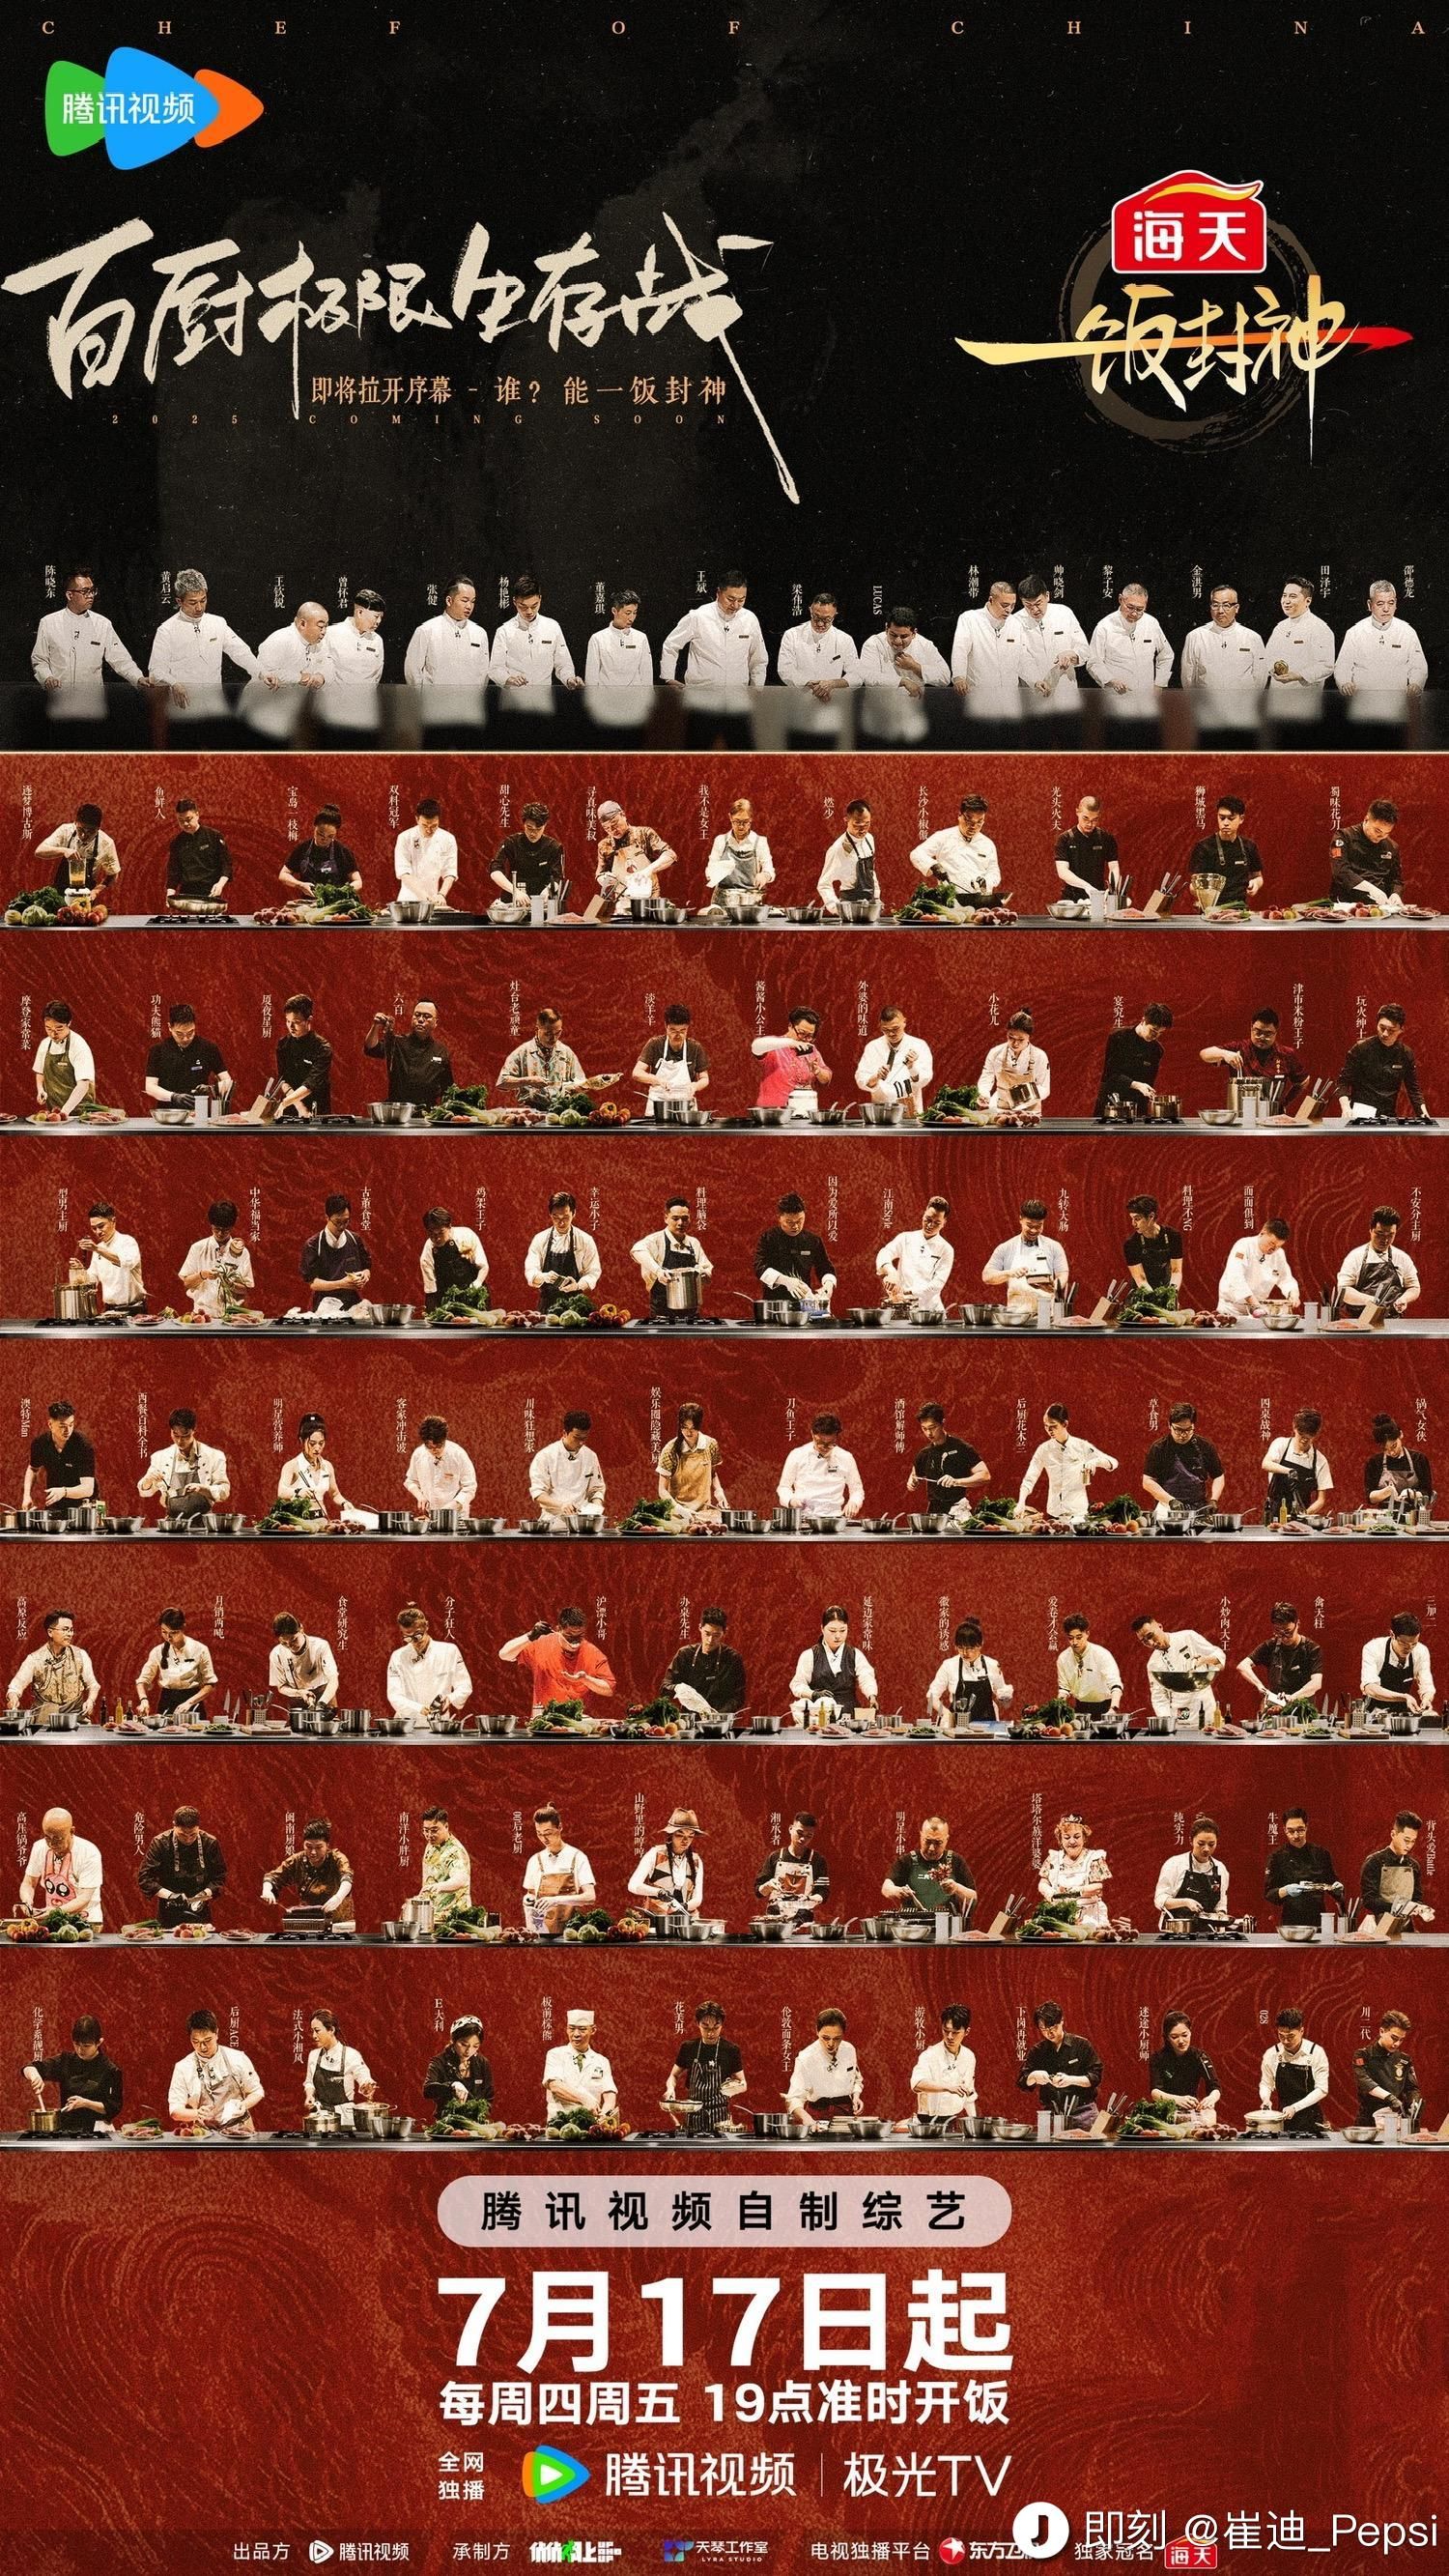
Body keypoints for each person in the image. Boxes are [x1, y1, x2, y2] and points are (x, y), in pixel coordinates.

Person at [148, 570, 261, 700]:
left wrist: (261, 672)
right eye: (193, 603)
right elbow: (156, 671)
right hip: (184, 702)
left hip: (214, 702)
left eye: (203, 600)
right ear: (179, 601)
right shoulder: (166, 630)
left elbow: (240, 651)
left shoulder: (218, 622)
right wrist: (174, 684)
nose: (199, 608)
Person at [32, 569, 145, 692]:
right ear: (69, 595)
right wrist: (47, 678)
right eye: (85, 591)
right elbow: (40, 660)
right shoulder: (48, 622)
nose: (90, 595)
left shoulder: (102, 624)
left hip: (91, 697)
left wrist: (138, 678)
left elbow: (120, 659)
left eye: (92, 591)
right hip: (59, 695)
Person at [499, 1606, 615, 1718]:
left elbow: (609, 1689)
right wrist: (530, 1636)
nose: (575, 1642)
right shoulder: (541, 1644)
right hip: (543, 1721)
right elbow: (504, 1655)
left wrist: (585, 1679)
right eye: (569, 1636)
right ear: (558, 1629)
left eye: (579, 1636)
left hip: (578, 1723)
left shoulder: (593, 1653)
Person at [661, 571, 767, 688]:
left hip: (738, 693)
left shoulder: (750, 619)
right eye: (730, 599)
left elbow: (758, 659)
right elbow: (671, 645)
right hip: (700, 693)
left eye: (741, 600)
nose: (736, 605)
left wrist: (757, 689)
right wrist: (668, 678)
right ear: (718, 593)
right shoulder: (698, 616)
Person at [22, 2015, 123, 2135]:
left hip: (98, 2130)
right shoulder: (66, 2061)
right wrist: (34, 2075)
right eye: (76, 2044)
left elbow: (113, 2107)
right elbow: (29, 2067)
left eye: (86, 2046)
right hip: (66, 2129)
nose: (80, 2050)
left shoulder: (110, 2070)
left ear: (99, 2042)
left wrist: (85, 2103)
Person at [1017, 1405, 1118, 1524]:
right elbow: (1030, 1478)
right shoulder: (1044, 1449)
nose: (1049, 1430)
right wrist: (1021, 1502)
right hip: (1054, 1514)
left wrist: (1095, 1461)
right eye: (1046, 1426)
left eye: (1053, 1426)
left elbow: (1113, 1462)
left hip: (1078, 1515)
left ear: (1065, 1424)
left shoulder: (1081, 1446)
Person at [168, 2012, 265, 2132]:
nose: (202, 2047)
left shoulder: (237, 2058)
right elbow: (175, 2110)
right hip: (204, 2134)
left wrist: (243, 2105)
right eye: (196, 2041)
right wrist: (196, 2113)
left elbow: (257, 2091)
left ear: (217, 2033)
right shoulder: (183, 2067)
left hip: (241, 2130)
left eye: (207, 2040)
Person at [1199, 1004, 1307, 1106]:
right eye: (1258, 1032)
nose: (1262, 1037)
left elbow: (1303, 1081)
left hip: (1273, 1114)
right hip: (1241, 1113)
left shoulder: (1286, 1054)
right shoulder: (1239, 1048)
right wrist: (1224, 1054)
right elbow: (1204, 1054)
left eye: (1268, 1034)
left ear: (1276, 1032)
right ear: (1251, 1028)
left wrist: (1285, 1102)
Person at [138, 1805, 227, 1928]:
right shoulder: (160, 1843)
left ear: (198, 1827)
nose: (188, 1839)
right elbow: (145, 1878)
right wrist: (171, 1896)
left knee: (201, 1937)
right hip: (168, 1908)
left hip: (199, 1906)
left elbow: (220, 1876)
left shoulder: (210, 1843)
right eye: (183, 1835)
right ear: (174, 1826)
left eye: (193, 1835)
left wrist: (204, 1894)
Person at [1337, 1005, 1429, 1124]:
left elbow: (1413, 1089)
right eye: (1382, 1028)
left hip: (1388, 1116)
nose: (1385, 1034)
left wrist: (1423, 1113)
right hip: (1360, 1114)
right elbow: (1343, 1082)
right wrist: (1346, 1108)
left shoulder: (1405, 1054)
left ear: (1401, 1029)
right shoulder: (1361, 1049)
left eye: (1391, 1030)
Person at [1016, 2002, 1102, 2129]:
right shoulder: (1038, 2051)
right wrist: (1034, 2076)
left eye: (1053, 2028)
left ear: (1062, 2021)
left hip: (1084, 2113)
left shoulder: (1081, 2045)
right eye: (1044, 2030)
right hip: (1052, 2114)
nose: (1049, 2033)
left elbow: (1096, 2077)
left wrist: (1071, 2080)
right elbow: (1022, 2082)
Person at [1333, 581, 1428, 695]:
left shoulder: (1407, 632)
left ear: (1396, 603)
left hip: (1397, 699)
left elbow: (1419, 666)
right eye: (1380, 604)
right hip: (1363, 699)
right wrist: (1345, 683)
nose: (1386, 609)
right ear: (1369, 605)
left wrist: (1416, 684)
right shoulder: (1355, 632)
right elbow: (1342, 666)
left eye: (1391, 603)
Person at [1131, 1615, 1226, 1727]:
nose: (1151, 1643)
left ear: (1160, 1627)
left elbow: (1219, 1655)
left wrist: (1205, 1660)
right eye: (1144, 1641)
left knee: (1209, 1732)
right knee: (1184, 1734)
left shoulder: (1188, 1637)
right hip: (1180, 1711)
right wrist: (1167, 1722)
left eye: (1151, 1635)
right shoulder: (1153, 1664)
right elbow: (1159, 1698)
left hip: (1205, 1705)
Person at [1008, 573, 1089, 701]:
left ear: (1047, 596)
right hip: (1033, 693)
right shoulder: (1015, 622)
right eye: (1028, 605)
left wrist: (1071, 654)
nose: (1034, 610)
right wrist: (1035, 680)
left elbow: (1084, 648)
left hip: (1065, 690)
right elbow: (1020, 658)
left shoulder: (1064, 613)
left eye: (1038, 603)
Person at [386, 1607, 472, 1728]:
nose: (414, 1641)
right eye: (408, 1637)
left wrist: (450, 1698)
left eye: (418, 1635)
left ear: (426, 1626)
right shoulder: (398, 1656)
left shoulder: (449, 1651)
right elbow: (394, 1695)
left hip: (439, 1725)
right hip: (407, 1725)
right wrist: (419, 1708)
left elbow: (465, 1686)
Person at [790, 1604, 877, 1721]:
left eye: (842, 1630)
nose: (838, 1636)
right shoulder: (810, 1655)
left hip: (849, 1715)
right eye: (832, 1631)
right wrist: (813, 1694)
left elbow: (866, 1677)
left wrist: (872, 1695)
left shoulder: (855, 1654)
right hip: (820, 1716)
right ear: (822, 1628)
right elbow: (797, 1684)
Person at [489, 575, 580, 687]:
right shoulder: (504, 631)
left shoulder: (552, 627)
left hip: (543, 695)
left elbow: (563, 664)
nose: (529, 612)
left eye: (534, 606)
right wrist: (508, 679)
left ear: (540, 599)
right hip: (514, 695)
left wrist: (569, 679)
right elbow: (495, 669)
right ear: (514, 601)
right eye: (523, 606)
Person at [137, 1410, 229, 1519]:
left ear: (194, 1430)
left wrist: (202, 1489)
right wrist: (148, 1481)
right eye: (175, 1435)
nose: (180, 1441)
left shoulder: (214, 1456)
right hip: (173, 1523)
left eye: (185, 1435)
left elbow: (224, 1491)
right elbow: (145, 1492)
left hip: (204, 1522)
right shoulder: (160, 1457)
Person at [6, 1616, 99, 1723]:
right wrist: (13, 1698)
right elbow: (15, 1687)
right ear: (50, 1632)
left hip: (75, 1717)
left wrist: (90, 1701)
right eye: (65, 1629)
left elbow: (93, 1685)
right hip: (44, 1719)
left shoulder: (80, 1655)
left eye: (71, 1630)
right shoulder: (35, 1659)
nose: (70, 1634)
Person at [981, 1198, 1068, 1313]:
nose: (1034, 1230)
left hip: (1046, 1315)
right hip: (1016, 1316)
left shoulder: (1054, 1247)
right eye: (1029, 1225)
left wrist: (1054, 1287)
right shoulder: (1005, 1248)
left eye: (1039, 1226)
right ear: (1020, 1219)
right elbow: (987, 1276)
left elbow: (1063, 1275)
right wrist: (1009, 1273)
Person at [363, 999, 455, 1107]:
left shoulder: (441, 1051)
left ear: (436, 1023)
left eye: (427, 1016)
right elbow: (371, 1049)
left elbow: (447, 1090)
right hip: (398, 1110)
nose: (420, 1020)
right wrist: (375, 1026)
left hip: (427, 1112)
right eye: (417, 1015)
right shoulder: (397, 1043)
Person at [950, 579, 1024, 713]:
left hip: (1009, 699)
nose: (1009, 610)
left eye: (1012, 606)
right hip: (979, 698)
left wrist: (1035, 681)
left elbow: (1023, 658)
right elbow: (960, 650)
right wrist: (959, 677)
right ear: (991, 600)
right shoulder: (970, 619)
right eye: (1004, 605)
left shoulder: (1016, 624)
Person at [1086, 583, 1174, 694]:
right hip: (1116, 696)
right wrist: (1111, 680)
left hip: (1147, 695)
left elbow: (1166, 655)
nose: (1134, 613)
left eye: (1140, 609)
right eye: (1130, 607)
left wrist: (1159, 684)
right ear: (1120, 599)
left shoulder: (1151, 623)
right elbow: (1094, 662)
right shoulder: (1104, 626)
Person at [18, 1808, 103, 1925]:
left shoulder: (89, 1852)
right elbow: (29, 1883)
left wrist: (55, 1912)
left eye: (58, 1838)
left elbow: (85, 1898)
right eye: (47, 1837)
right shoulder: (39, 1847)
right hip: (53, 1920)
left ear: (72, 1832)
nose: (52, 1844)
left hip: (85, 1920)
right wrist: (26, 1901)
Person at [632, 1198, 715, 1317]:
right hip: (662, 1314)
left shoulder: (693, 1243)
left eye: (685, 1219)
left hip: (691, 1314)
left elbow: (707, 1270)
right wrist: (658, 1271)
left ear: (690, 1219)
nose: (680, 1223)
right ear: (666, 1218)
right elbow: (637, 1250)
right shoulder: (656, 1240)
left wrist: (704, 1274)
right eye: (675, 1218)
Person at [666, 2002, 748, 2122]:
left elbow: (743, 2084)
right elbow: (673, 2075)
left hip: (720, 2118)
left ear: (722, 2025)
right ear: (698, 2024)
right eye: (705, 2027)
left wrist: (734, 2089)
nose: (710, 2033)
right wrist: (670, 2089)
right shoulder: (688, 2047)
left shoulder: (731, 2050)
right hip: (693, 2116)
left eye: (716, 2027)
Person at [909, 793, 1000, 900]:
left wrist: (986, 882)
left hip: (980, 902)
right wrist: (933, 866)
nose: (973, 827)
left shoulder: (987, 844)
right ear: (960, 816)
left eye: (979, 822)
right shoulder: (943, 837)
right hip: (950, 901)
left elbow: (994, 872)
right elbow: (916, 854)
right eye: (969, 820)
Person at [882, 1816, 977, 1918]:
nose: (931, 1848)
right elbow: (886, 1888)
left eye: (938, 1843)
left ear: (946, 1839)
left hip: (945, 1924)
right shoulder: (906, 1861)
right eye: (927, 1841)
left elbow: (974, 1898)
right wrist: (897, 1891)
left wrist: (956, 1888)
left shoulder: (956, 1861)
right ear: (921, 1836)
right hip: (912, 1924)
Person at [262, 1819, 355, 1923]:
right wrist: (267, 1890)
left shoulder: (337, 1859)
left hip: (339, 1920)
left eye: (319, 1847)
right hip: (309, 1919)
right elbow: (272, 1877)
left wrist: (338, 1897)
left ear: (327, 1845)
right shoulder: (297, 1860)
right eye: (309, 1847)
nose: (313, 1852)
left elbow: (347, 1878)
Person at [277, 1414, 362, 1527]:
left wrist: (344, 1502)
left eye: (321, 1443)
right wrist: (298, 1492)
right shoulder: (292, 1466)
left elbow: (335, 1493)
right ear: (301, 1441)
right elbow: (281, 1492)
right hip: (300, 1522)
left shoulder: (327, 1466)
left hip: (322, 1520)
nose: (317, 1448)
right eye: (312, 1444)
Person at [1264, 1810, 1343, 1931]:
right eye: (1291, 1831)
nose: (1296, 1836)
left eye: (1300, 1830)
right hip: (1291, 1921)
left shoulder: (1321, 1854)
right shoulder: (1276, 1857)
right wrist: (1286, 1890)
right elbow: (1269, 1893)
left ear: (1306, 1827)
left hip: (1318, 1920)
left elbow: (1332, 1883)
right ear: (1284, 1830)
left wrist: (1337, 1888)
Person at [1142, 1402, 1225, 1517]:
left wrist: (1214, 1499)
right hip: (1167, 1509)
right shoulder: (1159, 1448)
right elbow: (1147, 1481)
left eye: (1188, 1430)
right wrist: (1170, 1501)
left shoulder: (1205, 1446)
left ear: (1193, 1426)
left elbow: (1218, 1476)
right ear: (1169, 1425)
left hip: (1198, 1509)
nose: (1183, 1435)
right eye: (1178, 1430)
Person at [925, 1620, 1012, 1730]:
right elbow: (931, 1697)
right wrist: (946, 1713)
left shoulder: (992, 1665)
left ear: (980, 1644)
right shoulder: (949, 1665)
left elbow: (1005, 1703)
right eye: (961, 1648)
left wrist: (1005, 1698)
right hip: (957, 1726)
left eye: (971, 1648)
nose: (965, 1653)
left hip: (987, 1726)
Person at [1185, 792, 1266, 909]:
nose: (1226, 823)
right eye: (1222, 818)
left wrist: (1256, 884)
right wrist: (1200, 892)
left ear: (1241, 819)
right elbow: (1194, 885)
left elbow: (1258, 877)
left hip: (1240, 910)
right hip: (1211, 910)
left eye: (1231, 818)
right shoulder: (1203, 847)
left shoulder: (1249, 846)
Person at [1179, 587, 1267, 696]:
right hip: (1206, 703)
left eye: (1226, 605)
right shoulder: (1195, 636)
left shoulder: (1252, 638)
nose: (1220, 611)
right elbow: (1188, 677)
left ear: (1236, 608)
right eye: (1215, 605)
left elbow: (1260, 677)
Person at [1236, 1602, 1325, 1709]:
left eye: (1288, 1632)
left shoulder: (1311, 1649)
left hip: (1302, 1709)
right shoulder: (1271, 1646)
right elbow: (1243, 1666)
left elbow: (1316, 1683)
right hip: (1274, 1708)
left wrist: (1292, 1698)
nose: (1284, 1638)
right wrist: (1260, 1686)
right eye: (1278, 1632)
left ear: (1297, 1624)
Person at [1093, 1001, 1173, 1119]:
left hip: (1136, 1107)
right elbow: (1110, 1076)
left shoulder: (1156, 1050)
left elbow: (1148, 1083)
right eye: (1153, 1030)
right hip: (1110, 1104)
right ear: (1143, 1021)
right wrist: (1137, 1085)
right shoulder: (1118, 1037)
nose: (1155, 1036)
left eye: (1160, 1033)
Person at [178, 1199, 255, 1321]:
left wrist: (229, 1283)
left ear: (232, 1227)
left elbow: (245, 1289)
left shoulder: (242, 1252)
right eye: (216, 1228)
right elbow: (187, 1283)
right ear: (211, 1224)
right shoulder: (198, 1248)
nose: (220, 1233)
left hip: (232, 1317)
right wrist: (202, 1275)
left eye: (225, 1230)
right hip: (202, 1315)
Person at [525, 1191, 602, 1312]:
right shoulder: (540, 1239)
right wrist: (545, 1277)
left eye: (566, 1217)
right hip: (546, 1307)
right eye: (556, 1217)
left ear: (574, 1213)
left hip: (575, 1306)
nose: (561, 1223)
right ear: (550, 1214)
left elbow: (593, 1272)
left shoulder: (585, 1240)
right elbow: (530, 1272)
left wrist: (577, 1285)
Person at [523, 1807, 596, 1934]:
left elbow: (590, 1896)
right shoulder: (535, 1860)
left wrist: (555, 1900)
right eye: (539, 1833)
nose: (544, 1839)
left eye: (548, 1833)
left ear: (560, 1827)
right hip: (540, 1930)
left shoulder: (577, 1857)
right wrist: (528, 1899)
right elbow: (531, 1893)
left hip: (570, 1931)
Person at [403, 577, 488, 686]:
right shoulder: (426, 630)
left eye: (473, 601)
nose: (469, 606)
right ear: (449, 601)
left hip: (469, 696)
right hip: (434, 696)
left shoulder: (480, 633)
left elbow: (483, 672)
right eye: (464, 600)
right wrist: (423, 695)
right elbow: (412, 671)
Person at [144, 1001, 232, 1106]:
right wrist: (173, 1096)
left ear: (195, 1026)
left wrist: (212, 1089)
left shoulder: (209, 1048)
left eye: (190, 1033)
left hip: (199, 1110)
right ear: (170, 1027)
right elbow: (150, 1087)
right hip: (168, 1111)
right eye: (180, 1034)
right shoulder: (158, 1050)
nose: (185, 1039)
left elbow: (227, 1081)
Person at [134, 1611, 218, 1721]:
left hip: (193, 1701)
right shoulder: (157, 1651)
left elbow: (210, 1683)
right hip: (167, 1701)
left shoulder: (200, 1649)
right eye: (164, 1632)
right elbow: (142, 1680)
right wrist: (144, 1700)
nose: (168, 1637)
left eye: (173, 1633)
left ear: (183, 1628)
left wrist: (189, 1702)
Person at [755, 1193, 837, 1305]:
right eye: (789, 1222)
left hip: (804, 1303)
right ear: (779, 1218)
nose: (796, 1227)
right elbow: (760, 1267)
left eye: (800, 1221)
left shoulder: (813, 1240)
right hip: (774, 1304)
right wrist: (786, 1281)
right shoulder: (769, 1238)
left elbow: (825, 1267)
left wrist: (828, 1284)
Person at [1258, 2007, 1329, 2134]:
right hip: (1283, 2117)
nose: (1285, 2041)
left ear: (1301, 2031)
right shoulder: (1272, 2054)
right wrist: (1265, 2099)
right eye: (1281, 2036)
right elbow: (1266, 2083)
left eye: (1291, 2036)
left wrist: (1295, 2107)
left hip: (1311, 2119)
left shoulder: (1316, 2052)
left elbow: (1322, 2089)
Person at [1335, 1207, 1420, 1313]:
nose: (1385, 1240)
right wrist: (1367, 1300)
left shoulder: (1402, 1258)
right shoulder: (1355, 1257)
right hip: (1359, 1320)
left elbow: (1414, 1287)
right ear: (1371, 1230)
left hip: (1393, 1320)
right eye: (1379, 1234)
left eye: (1390, 1235)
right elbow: (1343, 1290)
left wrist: (1404, 1299)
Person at [779, 1417, 865, 1522]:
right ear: (812, 1434)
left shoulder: (846, 1457)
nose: (825, 1447)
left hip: (835, 1519)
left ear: (836, 1437)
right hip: (803, 1518)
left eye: (830, 1443)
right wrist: (791, 1500)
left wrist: (854, 1502)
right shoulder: (797, 1454)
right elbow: (783, 1487)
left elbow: (857, 1490)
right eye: (820, 1442)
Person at [908, 1403, 988, 1515]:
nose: (928, 1433)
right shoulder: (924, 1454)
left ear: (942, 1423)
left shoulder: (961, 1448)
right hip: (934, 1513)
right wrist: (912, 1482)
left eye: (932, 1427)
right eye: (924, 1428)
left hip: (958, 1509)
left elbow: (985, 1476)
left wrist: (957, 1482)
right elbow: (913, 1477)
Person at [497, 1006, 586, 1106]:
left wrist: (574, 1087)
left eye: (558, 1033)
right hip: (530, 1111)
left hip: (560, 1111)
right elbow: (502, 1082)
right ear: (537, 1029)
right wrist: (528, 1080)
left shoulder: (566, 1052)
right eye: (548, 1034)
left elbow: (581, 1082)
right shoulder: (522, 1052)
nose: (553, 1038)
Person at [1358, 1813, 1434, 1931]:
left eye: (1413, 1841)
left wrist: (1422, 1909)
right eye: (1406, 1840)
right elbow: (1369, 1900)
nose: (1409, 1845)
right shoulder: (1374, 1862)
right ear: (1393, 1834)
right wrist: (1398, 1907)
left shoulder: (1413, 1865)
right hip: (1380, 1927)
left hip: (1407, 1927)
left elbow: (1416, 1898)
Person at [786, 2009, 864, 2123]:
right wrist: (806, 2119)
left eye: (837, 2038)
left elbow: (856, 2079)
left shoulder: (849, 2050)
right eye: (826, 2038)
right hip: (817, 2115)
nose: (831, 2044)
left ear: (843, 2034)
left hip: (845, 2114)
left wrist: (856, 2096)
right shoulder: (806, 2057)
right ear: (817, 2031)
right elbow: (794, 2097)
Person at [1263, 576, 1335, 698]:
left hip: (1305, 697)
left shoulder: (1319, 628)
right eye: (1284, 595)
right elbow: (1268, 657)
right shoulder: (1279, 627)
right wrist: (1272, 669)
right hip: (1277, 696)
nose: (1286, 601)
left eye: (1292, 596)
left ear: (1308, 601)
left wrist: (1299, 675)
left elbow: (1326, 666)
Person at [777, 591, 861, 696]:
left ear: (835, 615)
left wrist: (833, 684)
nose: (820, 624)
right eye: (816, 617)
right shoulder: (792, 635)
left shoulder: (845, 639)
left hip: (831, 700)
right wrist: (808, 683)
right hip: (800, 698)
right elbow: (785, 669)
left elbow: (857, 675)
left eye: (827, 619)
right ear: (810, 610)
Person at [665, 1606, 747, 1713]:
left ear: (725, 1632)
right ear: (700, 1627)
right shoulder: (685, 1654)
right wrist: (678, 1688)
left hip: (720, 1719)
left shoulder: (733, 1658)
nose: (710, 1640)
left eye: (716, 1635)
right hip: (690, 1719)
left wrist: (718, 1715)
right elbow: (665, 1687)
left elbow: (738, 1696)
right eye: (707, 1633)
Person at [877, 1198, 954, 1308]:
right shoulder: (905, 1238)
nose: (930, 1225)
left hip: (929, 1309)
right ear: (924, 1214)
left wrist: (905, 1292)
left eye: (937, 1223)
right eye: (928, 1219)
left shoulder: (946, 1249)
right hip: (904, 1307)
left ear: (944, 1223)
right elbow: (885, 1252)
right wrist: (891, 1272)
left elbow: (936, 1285)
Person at [1037, 1814, 1112, 1931]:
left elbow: (1098, 1887)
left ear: (1084, 1838)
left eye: (1077, 1837)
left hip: (1090, 1916)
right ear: (1060, 1839)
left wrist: (1074, 1891)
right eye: (1067, 1837)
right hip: (1061, 1915)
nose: (1072, 1841)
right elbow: (1043, 1882)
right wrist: (1050, 1892)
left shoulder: (1094, 1858)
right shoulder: (1053, 1858)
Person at [629, 1807, 706, 1918]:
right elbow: (633, 1885)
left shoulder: (696, 1861)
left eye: (690, 1836)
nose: (685, 1840)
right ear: (671, 1834)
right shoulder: (655, 1854)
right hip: (657, 1919)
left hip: (686, 1920)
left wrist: (683, 1907)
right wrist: (658, 1892)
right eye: (680, 1835)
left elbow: (698, 1898)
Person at [595, 800, 677, 903]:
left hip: (650, 899)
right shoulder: (604, 846)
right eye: (606, 828)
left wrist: (648, 871)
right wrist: (604, 879)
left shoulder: (644, 834)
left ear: (623, 815)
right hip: (622, 901)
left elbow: (670, 855)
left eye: (615, 824)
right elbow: (599, 874)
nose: (612, 830)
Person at [529, 1413, 606, 1525]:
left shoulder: (590, 1456)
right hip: (553, 1523)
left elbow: (596, 1490)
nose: (581, 1443)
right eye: (577, 1438)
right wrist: (561, 1505)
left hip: (582, 1523)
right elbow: (538, 1494)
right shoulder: (545, 1456)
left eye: (584, 1438)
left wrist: (596, 1508)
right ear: (565, 1433)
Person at [634, 1003, 710, 1114]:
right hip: (658, 1107)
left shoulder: (695, 1048)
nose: (678, 1035)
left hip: (685, 1107)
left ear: (688, 1028)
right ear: (666, 1026)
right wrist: (657, 1080)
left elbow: (705, 1078)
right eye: (673, 1030)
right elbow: (637, 1073)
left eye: (682, 1031)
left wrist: (695, 1086)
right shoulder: (655, 1044)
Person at [1329, 800, 1406, 912]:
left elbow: (1396, 879)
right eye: (1377, 830)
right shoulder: (1343, 837)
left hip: (1379, 909)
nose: (1381, 836)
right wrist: (1371, 889)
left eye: (1387, 833)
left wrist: (1395, 894)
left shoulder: (1392, 846)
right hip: (1346, 906)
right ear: (1366, 819)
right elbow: (1341, 871)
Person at [23, 1401, 96, 1516]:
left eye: (71, 1425)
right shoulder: (40, 1443)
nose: (67, 1431)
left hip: (83, 1508)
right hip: (55, 1505)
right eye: (62, 1426)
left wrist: (63, 1491)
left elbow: (88, 1489)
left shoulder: (83, 1445)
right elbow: (33, 1469)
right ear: (50, 1425)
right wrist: (26, 1495)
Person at [1216, 1218, 1298, 1319]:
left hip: (1258, 1310)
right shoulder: (1243, 1245)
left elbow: (1286, 1279)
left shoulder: (1279, 1254)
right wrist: (1255, 1305)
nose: (1273, 1249)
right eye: (1271, 1243)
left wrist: (1293, 1293)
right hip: (1232, 1309)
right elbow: (1235, 1276)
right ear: (1263, 1233)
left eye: (1278, 1246)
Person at [857, 1004, 934, 1110]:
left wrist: (912, 1067)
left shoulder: (919, 1045)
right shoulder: (873, 1047)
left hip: (910, 1110)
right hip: (881, 1110)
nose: (891, 1034)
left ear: (904, 1022)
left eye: (895, 1028)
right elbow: (862, 1080)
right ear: (880, 1026)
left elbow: (924, 1079)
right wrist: (877, 1076)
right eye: (885, 1030)